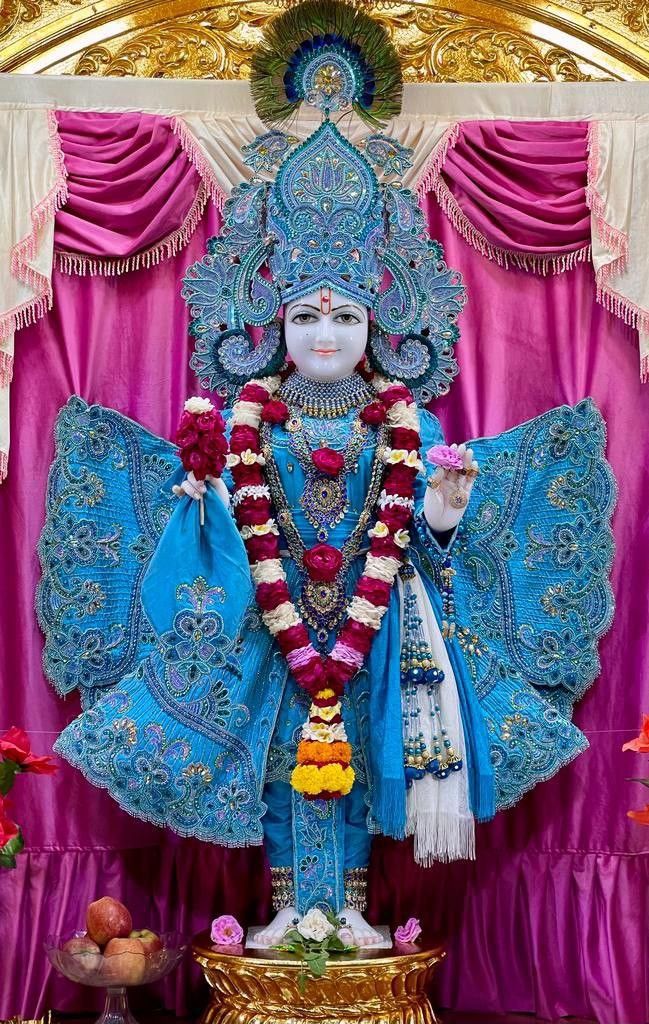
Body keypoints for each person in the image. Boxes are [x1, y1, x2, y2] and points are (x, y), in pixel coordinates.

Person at [37, 0, 615, 947]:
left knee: (360, 761)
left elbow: (426, 536)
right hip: (264, 623)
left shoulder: (410, 421)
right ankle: (282, 912)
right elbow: (223, 522)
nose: (324, 334)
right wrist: (196, 499)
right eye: (305, 316)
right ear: (271, 324)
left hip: (374, 620)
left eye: (345, 317)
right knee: (276, 764)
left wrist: (441, 511)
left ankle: (343, 907)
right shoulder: (237, 419)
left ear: (378, 327)